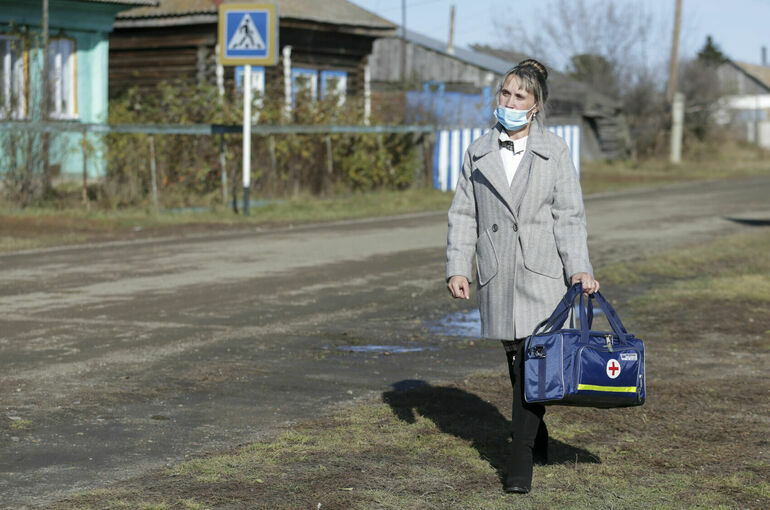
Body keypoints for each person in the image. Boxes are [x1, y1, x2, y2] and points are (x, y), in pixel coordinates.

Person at [445, 58, 600, 494]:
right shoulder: (477, 151)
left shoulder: (556, 151)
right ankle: (540, 436)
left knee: (534, 362)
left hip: (543, 273)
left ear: (535, 106)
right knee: (519, 369)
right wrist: (458, 267)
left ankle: (519, 464)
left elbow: (569, 216)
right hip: (497, 272)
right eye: (505, 93)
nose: (509, 102)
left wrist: (579, 269)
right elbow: (463, 214)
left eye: (519, 96)